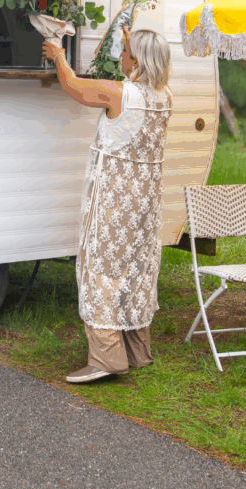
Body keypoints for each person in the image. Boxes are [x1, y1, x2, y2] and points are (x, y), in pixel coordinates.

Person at [41, 28, 172, 384]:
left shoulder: (119, 93)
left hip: (115, 197)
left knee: (100, 268)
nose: (121, 57)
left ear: (139, 60)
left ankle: (106, 357)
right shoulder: (164, 96)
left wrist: (57, 56)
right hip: (145, 201)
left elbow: (72, 85)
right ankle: (136, 350)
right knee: (135, 269)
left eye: (127, 51)